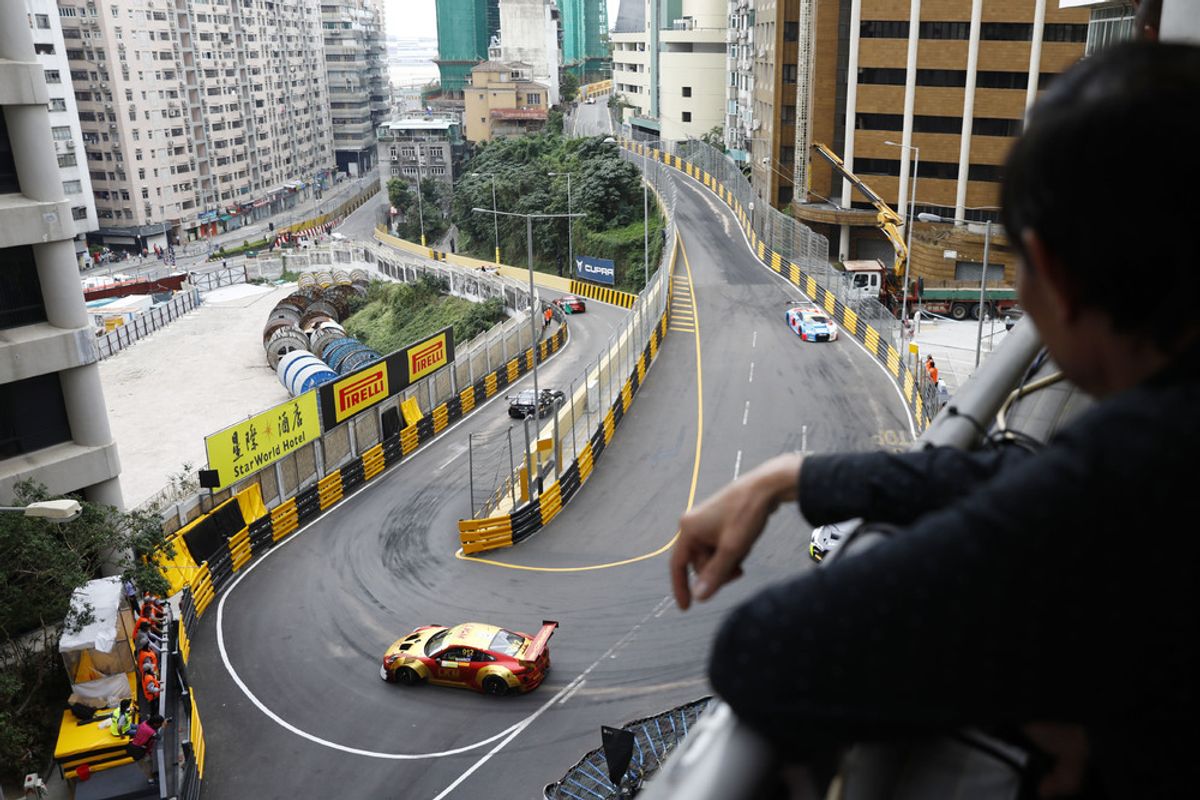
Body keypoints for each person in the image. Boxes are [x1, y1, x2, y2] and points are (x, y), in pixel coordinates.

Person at [669, 42, 1200, 797]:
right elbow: (1016, 474)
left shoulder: (1138, 466)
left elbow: (761, 652)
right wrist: (793, 477)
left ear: (1053, 274)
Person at [126, 714, 167, 781]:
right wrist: (163, 727)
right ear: (155, 723)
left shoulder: (144, 723)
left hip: (139, 747)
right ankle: (151, 780)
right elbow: (159, 737)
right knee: (147, 765)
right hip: (138, 751)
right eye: (159, 724)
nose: (160, 725)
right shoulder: (150, 731)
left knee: (148, 764)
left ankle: (151, 776)